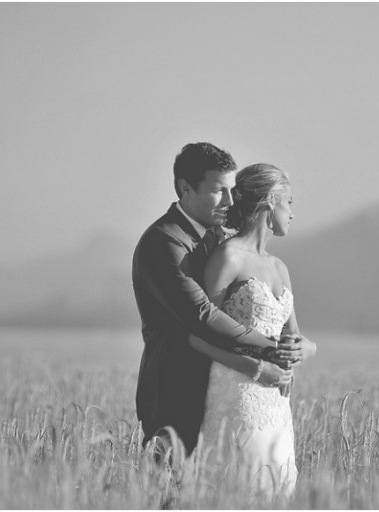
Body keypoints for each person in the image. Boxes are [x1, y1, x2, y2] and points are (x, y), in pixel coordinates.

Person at [132, 143, 297, 458]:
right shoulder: (163, 241)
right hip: (176, 390)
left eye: (232, 190)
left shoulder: (219, 237)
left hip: (224, 389)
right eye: (219, 190)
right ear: (186, 188)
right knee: (171, 483)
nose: (230, 201)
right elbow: (202, 314)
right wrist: (269, 347)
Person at [189, 163, 317, 497]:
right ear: (271, 201)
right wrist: (256, 368)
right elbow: (197, 335)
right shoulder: (228, 257)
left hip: (278, 403)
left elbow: (295, 337)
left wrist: (307, 349)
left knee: (277, 490)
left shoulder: (279, 267)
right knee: (242, 488)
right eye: (289, 202)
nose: (292, 213)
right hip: (239, 394)